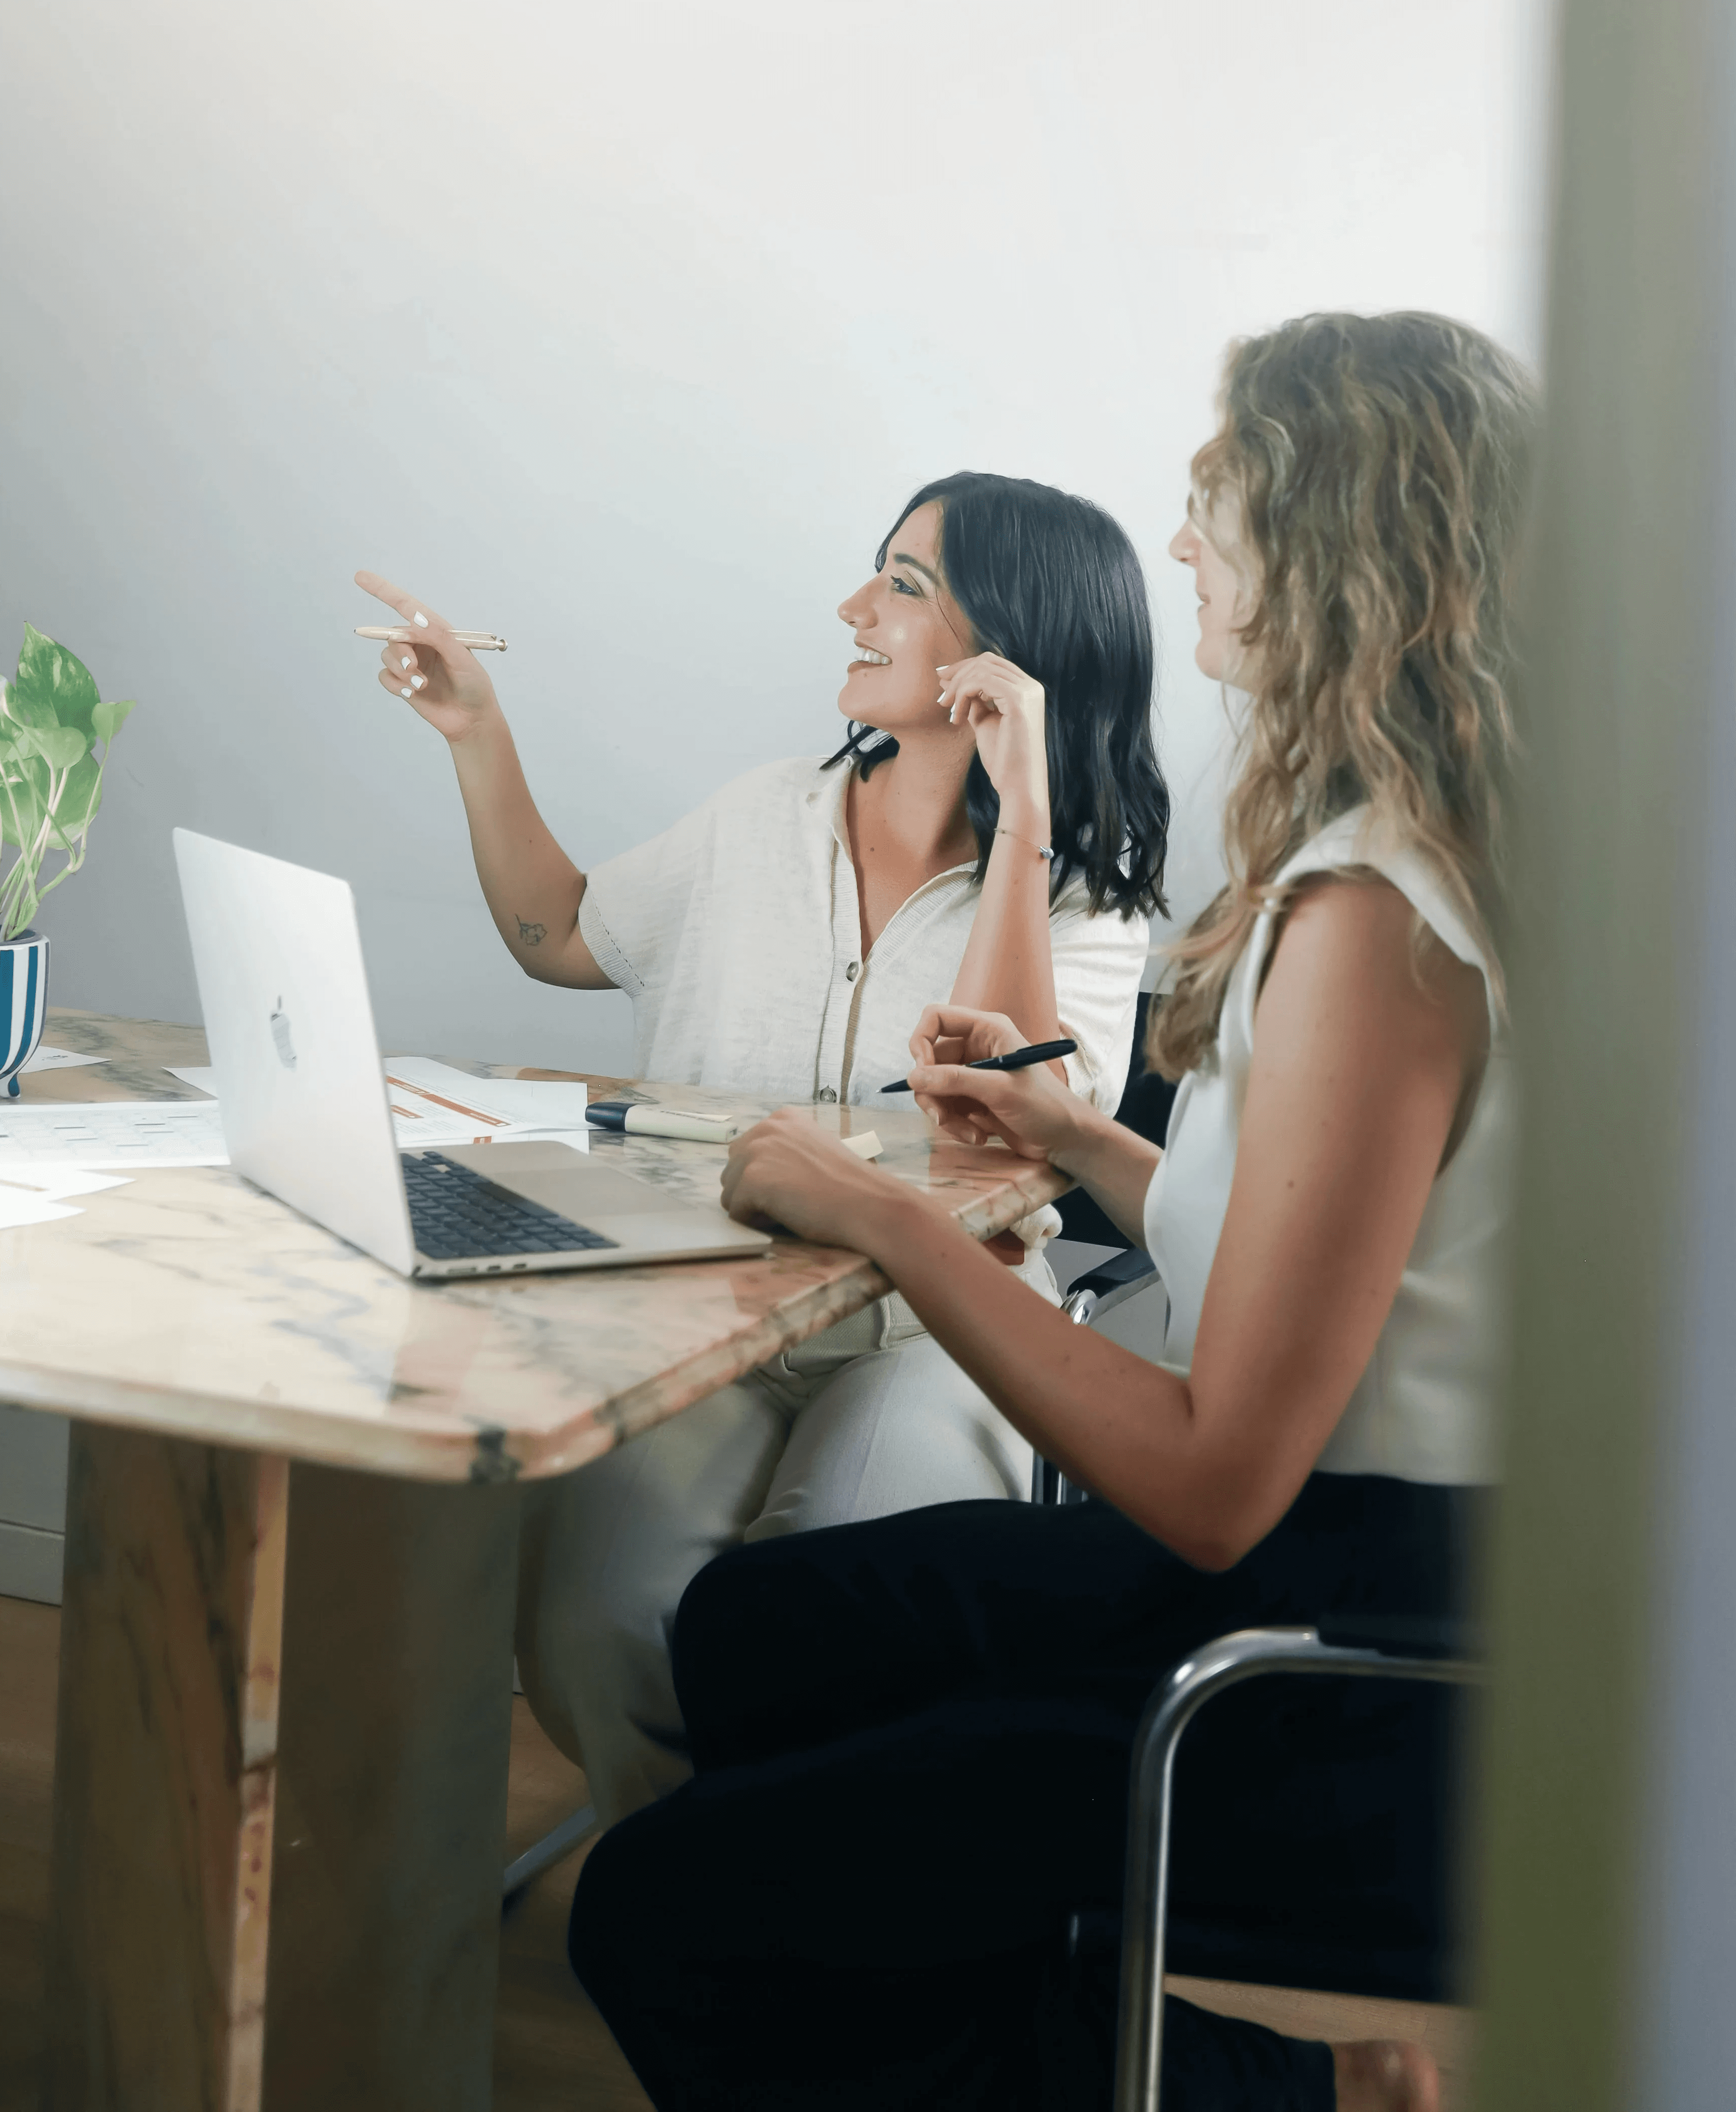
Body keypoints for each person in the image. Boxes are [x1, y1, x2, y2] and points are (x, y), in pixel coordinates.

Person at [567, 311, 1536, 2110]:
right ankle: (1233, 2075)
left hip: (1354, 1663)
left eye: (1217, 503)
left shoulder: (1370, 926)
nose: (1182, 548)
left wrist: (891, 1216)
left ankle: (1244, 2088)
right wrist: (1078, 1143)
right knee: (752, 1639)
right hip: (1365, 1564)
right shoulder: (1398, 860)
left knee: (656, 1914)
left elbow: (1214, 1481)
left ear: (1335, 541)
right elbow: (1309, 1264)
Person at [355, 473, 1169, 1822]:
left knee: (826, 1603)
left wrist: (1023, 817)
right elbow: (560, 936)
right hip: (711, 1319)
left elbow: (1028, 1121)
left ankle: (792, 1915)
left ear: (1010, 648)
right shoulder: (757, 820)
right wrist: (475, 731)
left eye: (904, 586)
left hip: (944, 1331)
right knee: (599, 1624)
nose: (854, 608)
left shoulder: (1086, 897)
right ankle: (715, 1889)